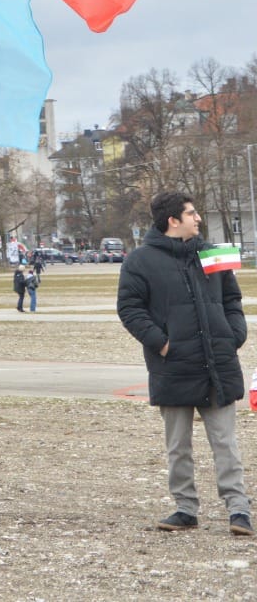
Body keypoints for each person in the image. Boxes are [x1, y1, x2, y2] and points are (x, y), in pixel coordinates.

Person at [117, 190, 250, 535]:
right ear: (173, 220)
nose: (199, 219)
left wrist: (233, 335)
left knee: (226, 442)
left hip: (216, 363)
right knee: (178, 446)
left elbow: (233, 299)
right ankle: (185, 508)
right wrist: (161, 344)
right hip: (173, 367)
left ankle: (239, 510)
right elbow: (130, 309)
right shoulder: (140, 261)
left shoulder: (212, 253)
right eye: (192, 213)